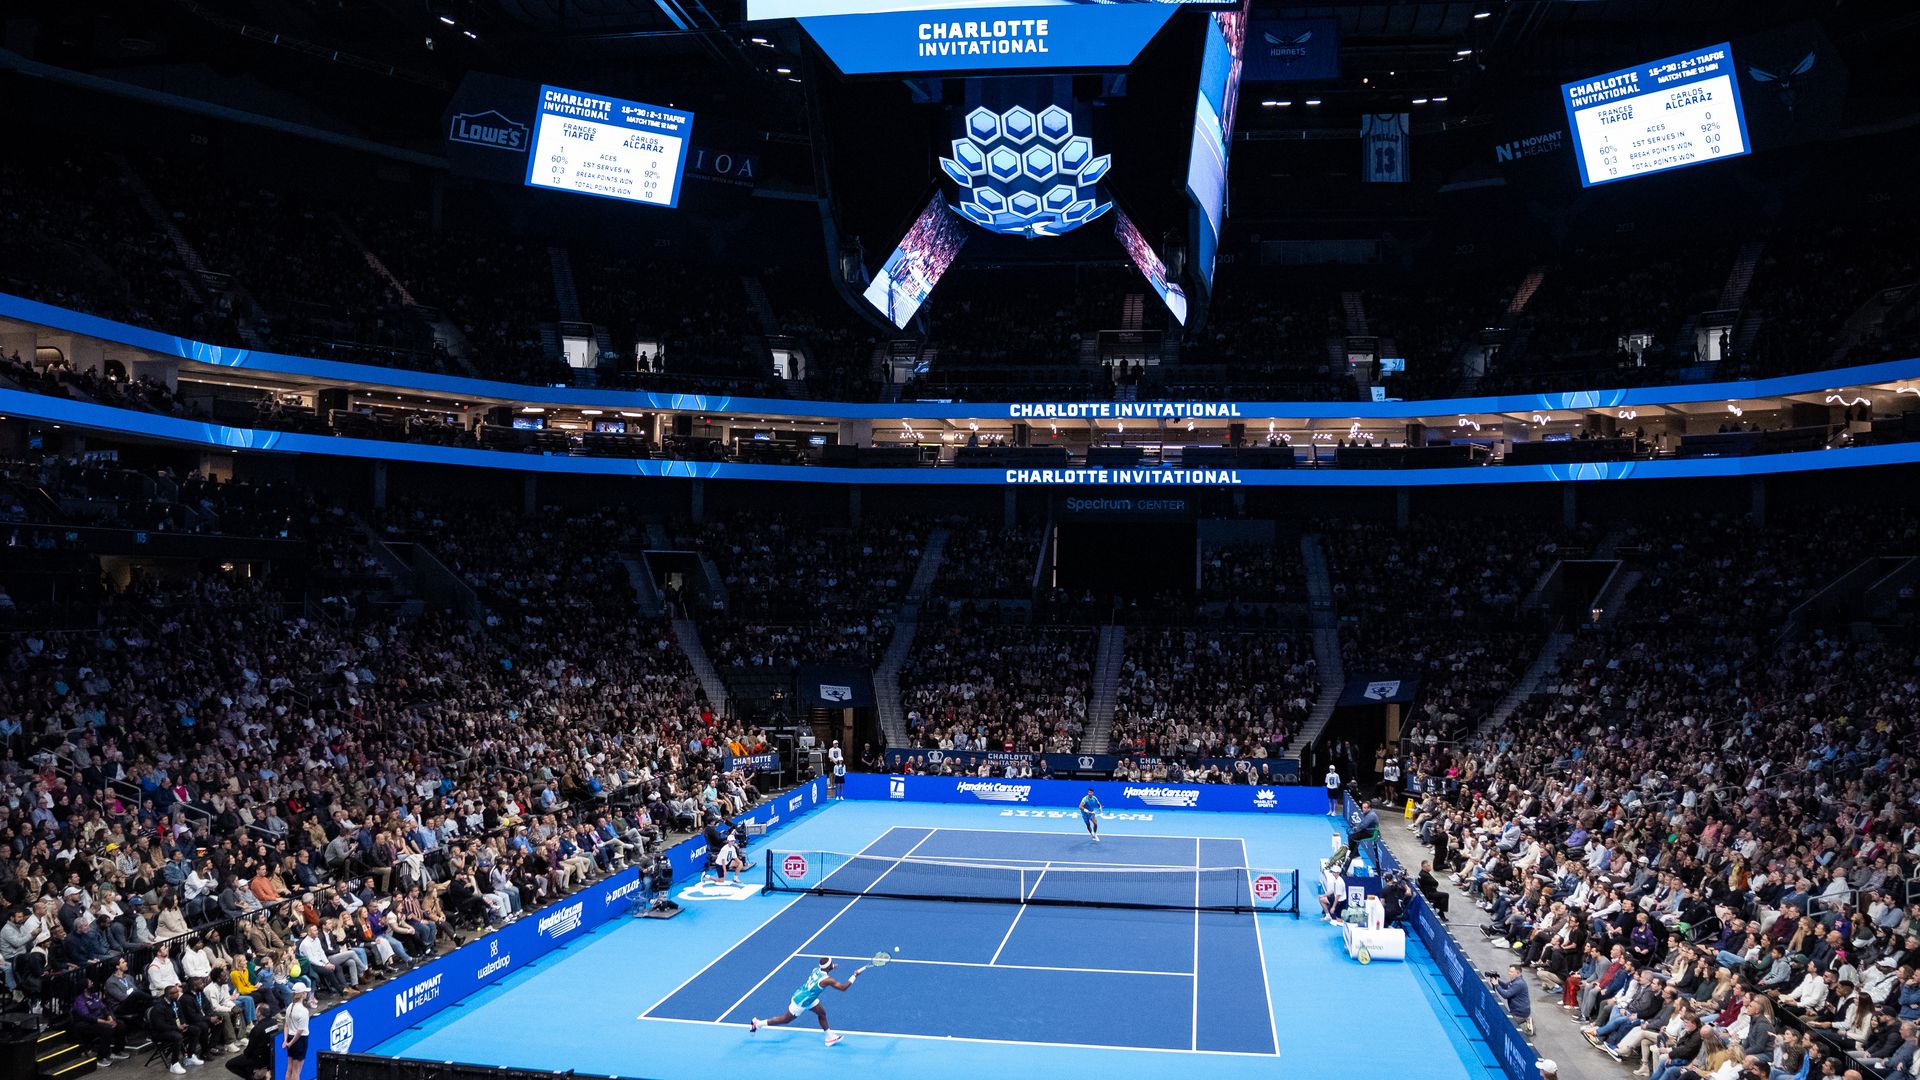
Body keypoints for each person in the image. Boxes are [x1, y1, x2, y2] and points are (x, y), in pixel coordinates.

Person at [748, 957, 859, 1046]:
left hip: (807, 996)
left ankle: (829, 1037)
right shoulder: (827, 980)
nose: (832, 964)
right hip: (801, 1001)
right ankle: (758, 1024)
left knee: (821, 1012)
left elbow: (825, 968)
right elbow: (843, 988)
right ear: (828, 967)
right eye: (831, 964)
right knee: (786, 1019)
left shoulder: (816, 969)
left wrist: (832, 967)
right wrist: (854, 976)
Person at [280, 984, 313, 1080]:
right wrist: (290, 1043)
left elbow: (286, 1025)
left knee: (289, 1069)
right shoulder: (303, 1011)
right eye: (305, 992)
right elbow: (300, 1031)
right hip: (300, 1041)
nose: (306, 993)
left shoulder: (290, 1007)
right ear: (302, 994)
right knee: (296, 1071)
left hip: (290, 1037)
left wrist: (286, 1040)